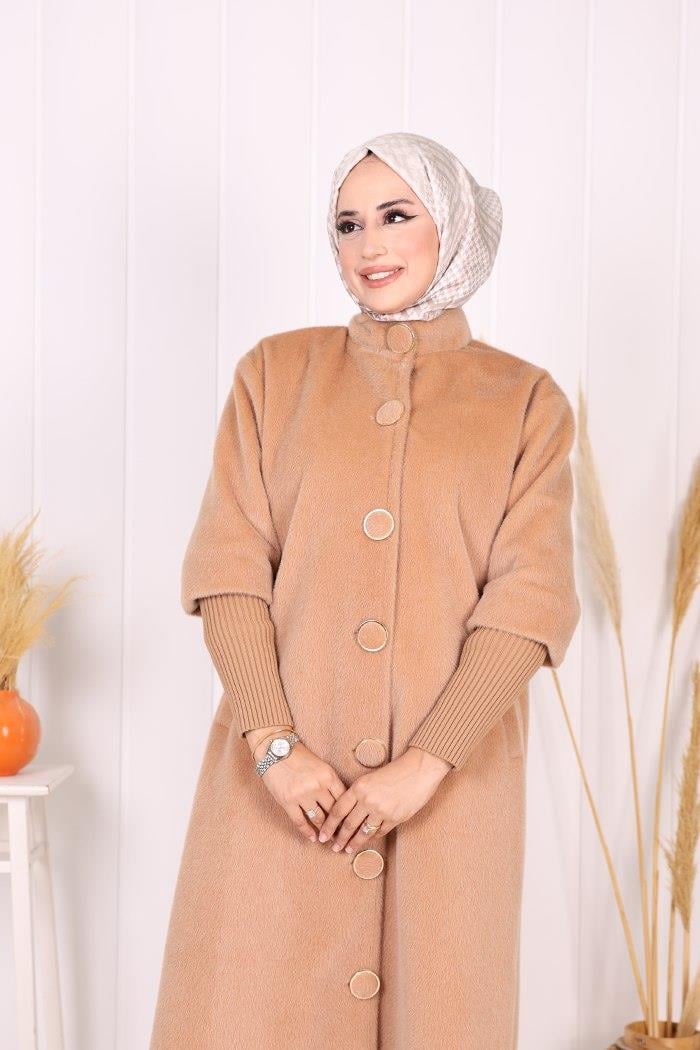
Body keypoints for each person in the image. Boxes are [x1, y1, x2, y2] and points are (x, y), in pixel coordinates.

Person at [149, 130, 580, 1050]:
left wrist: (424, 765)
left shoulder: (525, 401)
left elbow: (529, 603)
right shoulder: (275, 375)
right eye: (348, 225)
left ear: (452, 227)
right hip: (281, 791)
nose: (369, 245)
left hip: (448, 798)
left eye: (395, 216)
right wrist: (275, 747)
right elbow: (228, 572)